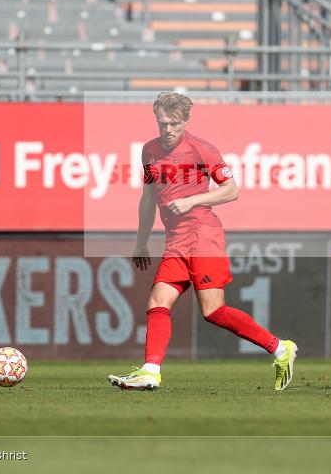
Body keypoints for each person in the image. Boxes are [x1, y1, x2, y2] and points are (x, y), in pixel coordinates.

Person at [108, 92, 298, 391]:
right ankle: (150, 371)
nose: (168, 129)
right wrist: (141, 242)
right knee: (158, 301)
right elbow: (147, 199)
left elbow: (232, 190)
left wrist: (192, 201)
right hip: (175, 242)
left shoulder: (201, 149)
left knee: (213, 311)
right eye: (162, 123)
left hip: (203, 237)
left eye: (174, 123)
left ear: (185, 121)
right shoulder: (149, 151)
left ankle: (279, 348)